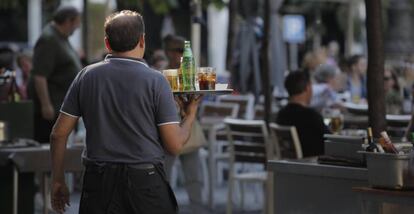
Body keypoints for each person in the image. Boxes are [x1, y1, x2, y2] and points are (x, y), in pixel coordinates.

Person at [50, 10, 202, 214]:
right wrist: (190, 116)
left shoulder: (85, 77)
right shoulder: (157, 81)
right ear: (142, 40)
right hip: (145, 184)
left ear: (107, 43)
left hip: (98, 183)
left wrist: (58, 180)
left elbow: (58, 134)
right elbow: (174, 145)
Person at [163, 34, 207, 212]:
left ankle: (197, 208)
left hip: (188, 128)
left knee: (193, 175)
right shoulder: (160, 74)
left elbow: (199, 101)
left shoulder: (192, 74)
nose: (181, 54)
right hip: (167, 129)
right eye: (178, 50)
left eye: (184, 50)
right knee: (164, 174)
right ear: (168, 52)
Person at [29, 6, 82, 143]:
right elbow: (40, 75)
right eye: (76, 23)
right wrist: (46, 105)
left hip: (61, 106)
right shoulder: (49, 39)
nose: (77, 27)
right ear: (67, 21)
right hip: (51, 111)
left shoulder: (60, 37)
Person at [276, 70, 330, 157]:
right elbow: (330, 142)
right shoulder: (311, 116)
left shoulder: (281, 115)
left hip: (289, 166)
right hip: (312, 165)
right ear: (308, 88)